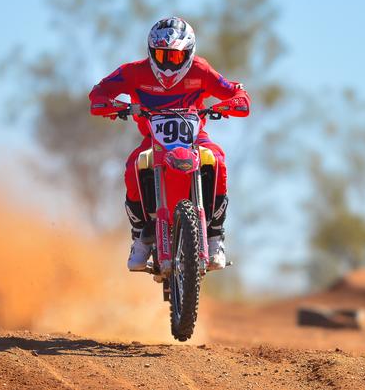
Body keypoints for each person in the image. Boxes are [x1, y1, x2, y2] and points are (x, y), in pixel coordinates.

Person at [89, 17, 250, 272]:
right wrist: (110, 104)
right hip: (153, 141)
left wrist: (235, 101)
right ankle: (140, 236)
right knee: (134, 165)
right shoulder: (133, 71)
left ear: (188, 54)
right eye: (161, 55)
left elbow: (234, 91)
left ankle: (215, 235)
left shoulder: (201, 70)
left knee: (217, 159)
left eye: (174, 57)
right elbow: (99, 91)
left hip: (195, 139)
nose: (167, 63)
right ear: (151, 51)